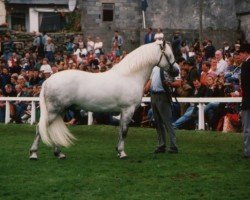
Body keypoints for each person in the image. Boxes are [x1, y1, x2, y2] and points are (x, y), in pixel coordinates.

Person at [144, 64, 180, 154]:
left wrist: (170, 84)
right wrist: (145, 89)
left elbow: (179, 83)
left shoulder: (173, 66)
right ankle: (161, 145)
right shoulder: (155, 67)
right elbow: (151, 80)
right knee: (158, 122)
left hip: (163, 95)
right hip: (153, 95)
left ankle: (173, 145)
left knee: (167, 122)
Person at [239, 43, 250, 159]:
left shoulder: (246, 65)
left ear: (246, 52)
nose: (240, 56)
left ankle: (248, 152)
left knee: (247, 128)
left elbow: (245, 85)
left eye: (241, 53)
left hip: (248, 101)